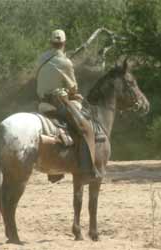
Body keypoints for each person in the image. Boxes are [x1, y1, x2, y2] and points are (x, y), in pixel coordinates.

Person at [36, 29, 99, 183]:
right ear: (64, 43)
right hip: (59, 103)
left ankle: (55, 171)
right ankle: (86, 169)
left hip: (43, 103)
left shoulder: (41, 58)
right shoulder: (66, 62)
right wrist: (74, 94)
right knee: (84, 128)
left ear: (51, 43)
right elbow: (73, 88)